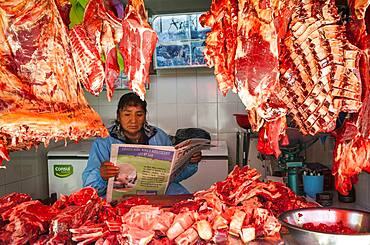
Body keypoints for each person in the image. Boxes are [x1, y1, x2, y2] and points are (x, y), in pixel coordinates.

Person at [82, 92, 202, 197]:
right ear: (118, 116)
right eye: (127, 114)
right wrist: (101, 175)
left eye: (139, 114)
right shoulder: (104, 141)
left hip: (157, 195)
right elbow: (89, 186)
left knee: (188, 207)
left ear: (145, 116)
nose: (133, 120)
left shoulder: (158, 136)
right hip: (120, 199)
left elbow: (173, 176)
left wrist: (190, 162)